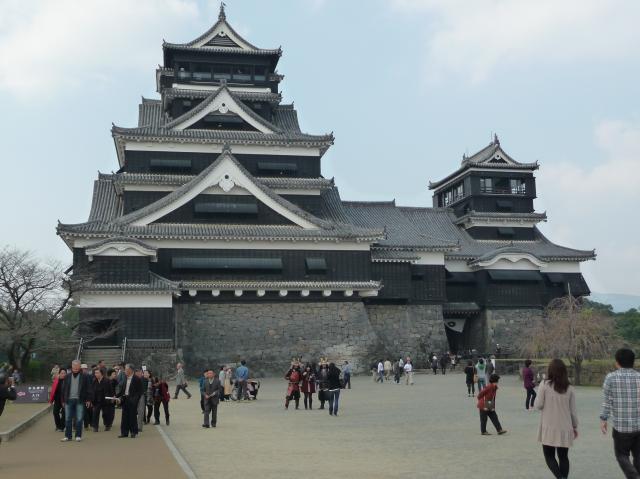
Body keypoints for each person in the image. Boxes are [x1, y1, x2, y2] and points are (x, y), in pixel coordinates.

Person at [600, 348, 640, 478]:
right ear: (633, 362)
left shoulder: (610, 378)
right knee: (638, 456)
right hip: (639, 426)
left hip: (621, 427)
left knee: (621, 455)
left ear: (617, 362)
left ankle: (634, 476)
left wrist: (604, 419)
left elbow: (607, 401)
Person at [536, 359, 578, 479]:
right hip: (565, 427)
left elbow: (539, 405)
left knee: (549, 456)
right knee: (563, 457)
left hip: (548, 427)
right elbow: (573, 411)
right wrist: (574, 426)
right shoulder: (569, 388)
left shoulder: (544, 384)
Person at [60, 360, 92, 442]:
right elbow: (63, 389)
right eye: (74, 367)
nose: (75, 369)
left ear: (80, 367)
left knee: (79, 418)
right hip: (68, 400)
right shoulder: (67, 376)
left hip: (80, 400)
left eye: (77, 367)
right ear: (72, 366)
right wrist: (63, 400)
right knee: (68, 418)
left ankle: (78, 435)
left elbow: (89, 388)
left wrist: (88, 400)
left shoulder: (85, 376)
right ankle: (68, 436)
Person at [116, 363, 143, 438]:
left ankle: (133, 432)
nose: (124, 371)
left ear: (130, 370)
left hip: (132, 400)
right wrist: (117, 396)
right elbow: (122, 390)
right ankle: (124, 432)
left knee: (132, 416)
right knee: (124, 417)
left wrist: (135, 400)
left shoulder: (136, 379)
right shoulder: (125, 378)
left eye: (126, 369)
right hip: (125, 399)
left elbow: (140, 392)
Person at [91, 368, 115, 432]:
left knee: (106, 414)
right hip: (96, 400)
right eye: (95, 373)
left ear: (101, 374)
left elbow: (111, 390)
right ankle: (95, 427)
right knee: (95, 413)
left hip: (105, 400)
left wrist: (113, 397)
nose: (95, 374)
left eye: (97, 373)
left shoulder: (107, 381)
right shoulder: (94, 381)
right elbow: (92, 390)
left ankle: (107, 425)